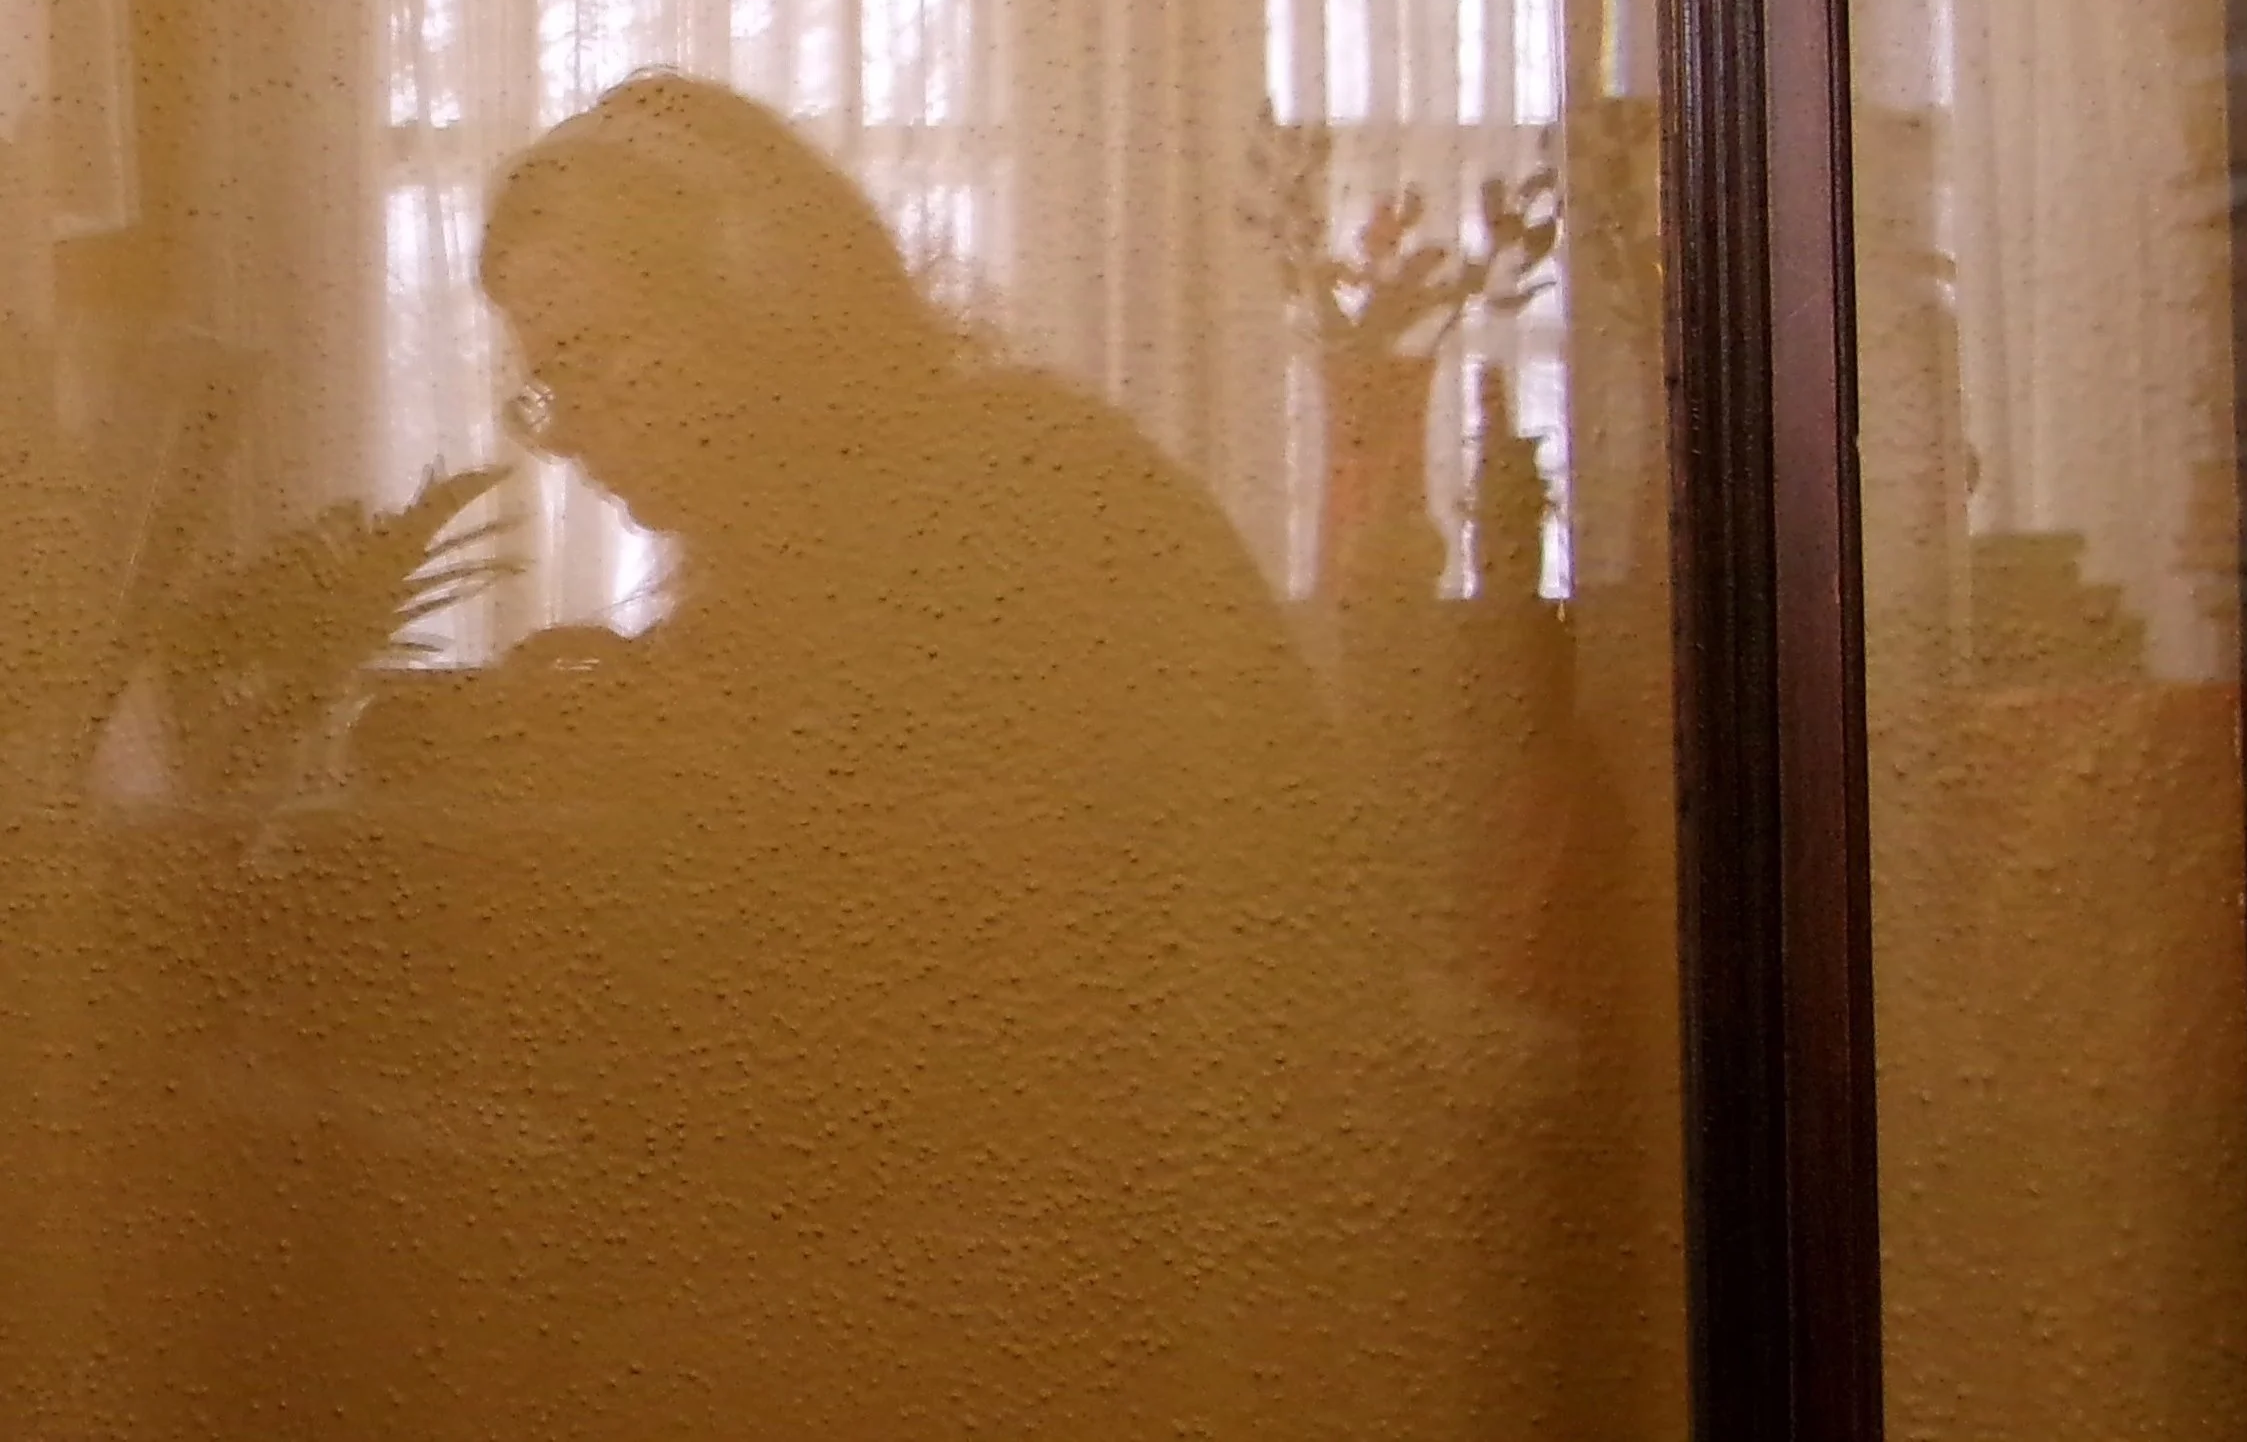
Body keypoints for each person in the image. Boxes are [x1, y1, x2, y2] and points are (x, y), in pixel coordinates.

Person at [283, 71, 1421, 1439]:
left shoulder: (1016, 490)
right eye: (541, 384)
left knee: (560, 1332)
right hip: (1051, 1186)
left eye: (590, 359)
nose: (567, 425)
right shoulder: (853, 519)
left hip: (1190, 1226)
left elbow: (921, 947)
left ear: (765, 306)